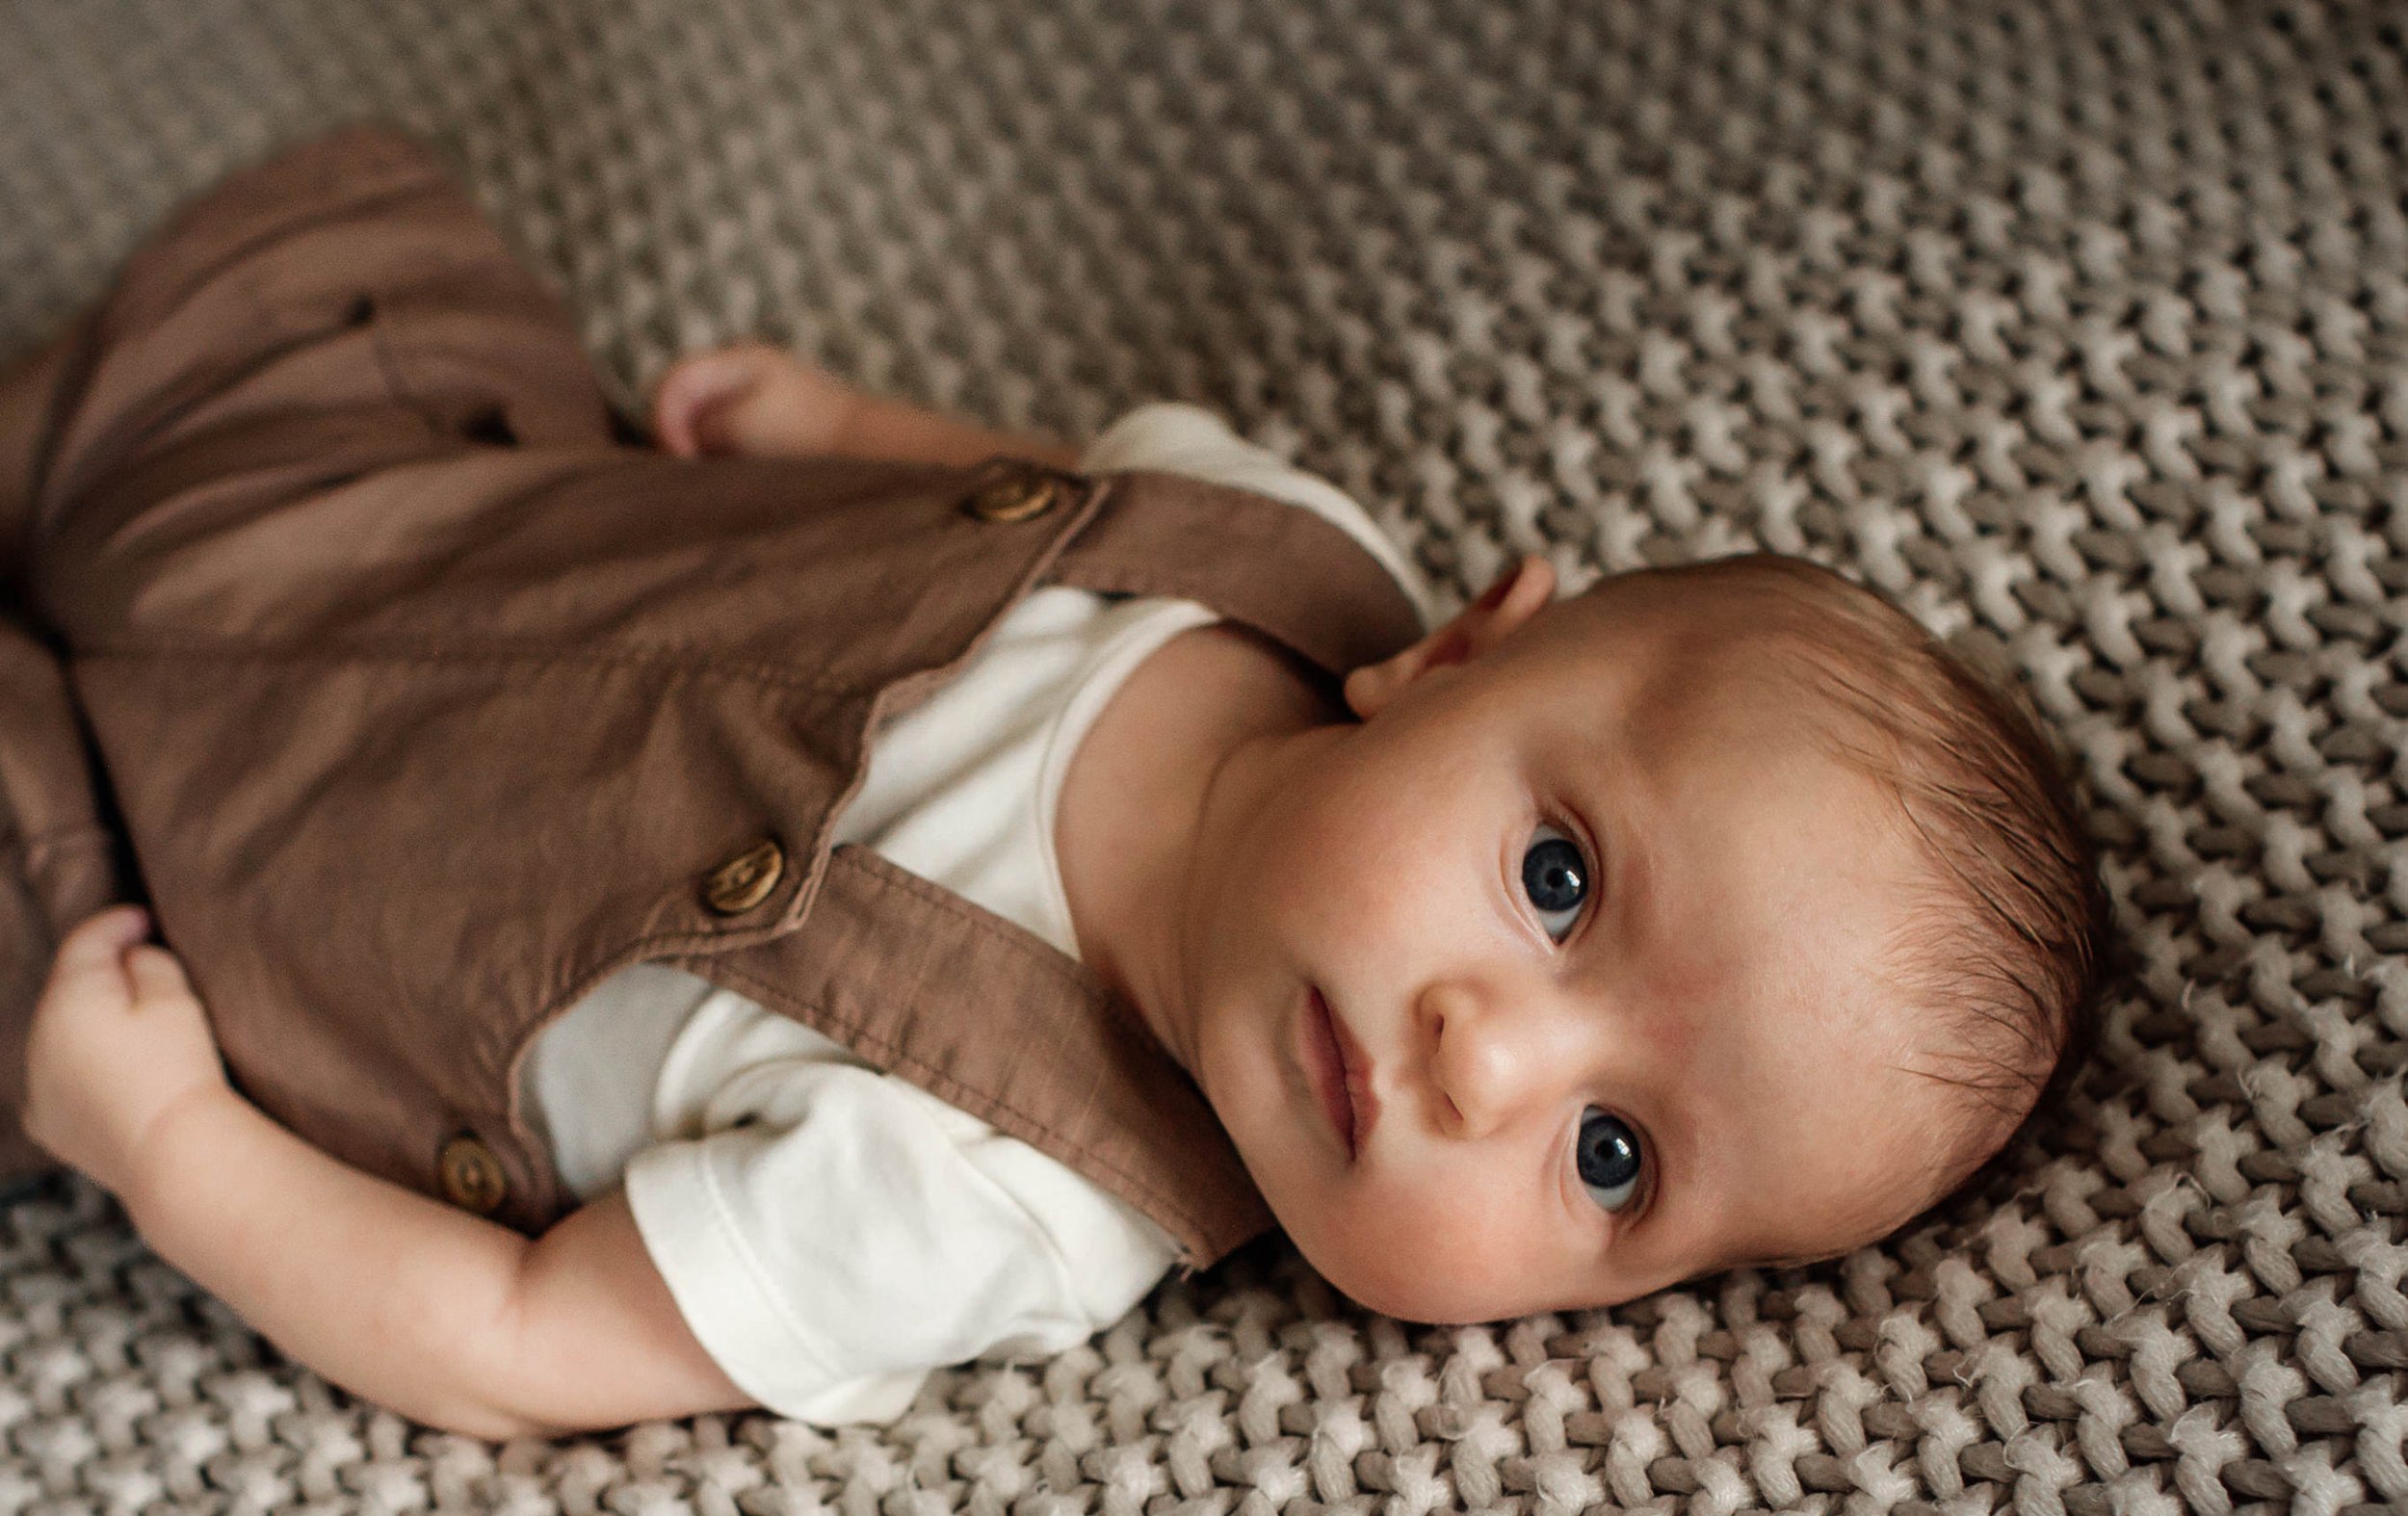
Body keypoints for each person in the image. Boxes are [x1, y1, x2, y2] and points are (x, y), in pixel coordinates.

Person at [2, 126, 2106, 1440]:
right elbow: (1049, 489)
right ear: (1452, 649)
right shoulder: (1281, 554)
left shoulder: (992, 1197)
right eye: (1556, 881)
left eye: (1616, 1163)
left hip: (195, 890)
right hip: (401, 511)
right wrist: (836, 420)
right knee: (352, 268)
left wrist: (174, 1144)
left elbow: (525, 1337)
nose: (1484, 1062)